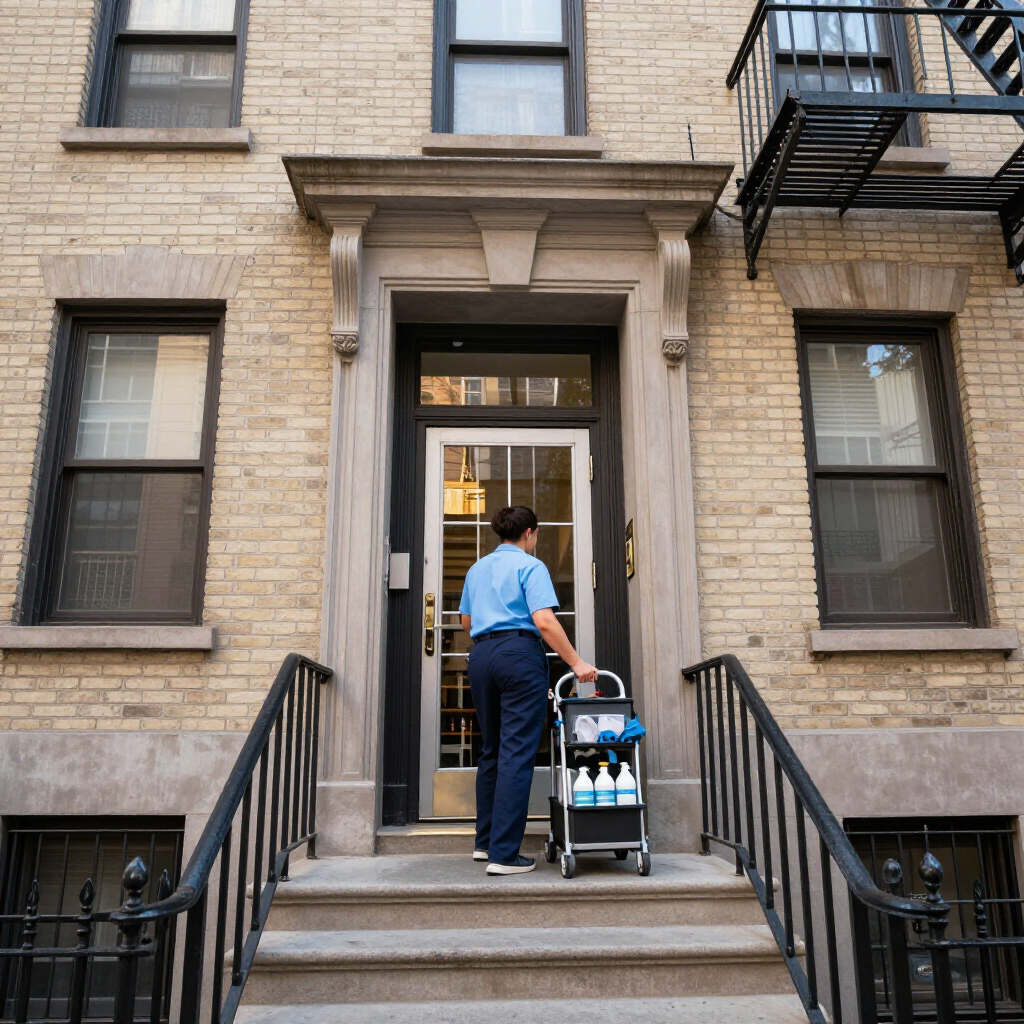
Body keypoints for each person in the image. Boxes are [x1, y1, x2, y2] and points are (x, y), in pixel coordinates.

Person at [460, 505, 598, 875]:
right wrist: (576, 663)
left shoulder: (477, 569)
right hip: (518, 654)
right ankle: (505, 855)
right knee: (516, 751)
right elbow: (544, 620)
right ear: (530, 533)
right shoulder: (530, 566)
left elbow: (466, 621)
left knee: (491, 750)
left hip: (482, 655)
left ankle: (485, 844)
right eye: (535, 536)